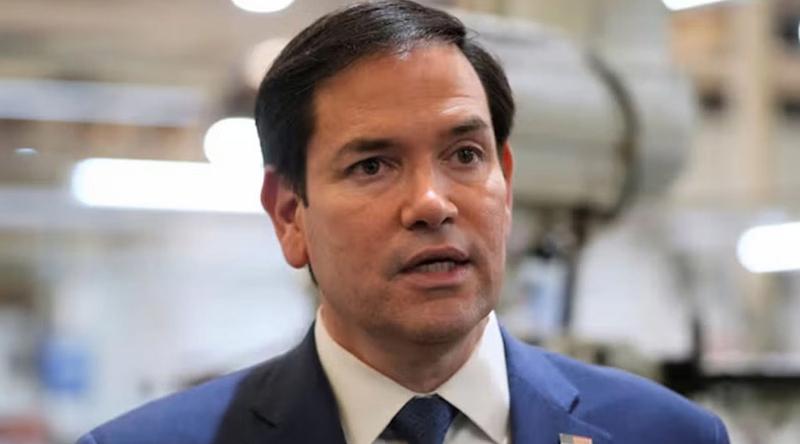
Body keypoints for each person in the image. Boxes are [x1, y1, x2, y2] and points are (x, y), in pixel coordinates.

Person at [77, 1, 730, 443]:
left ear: (505, 182)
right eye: (372, 165)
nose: (432, 203)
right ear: (289, 214)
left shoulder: (666, 435)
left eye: (464, 155)